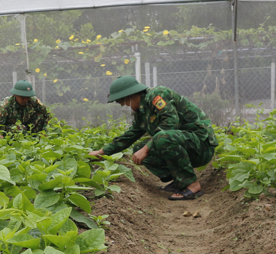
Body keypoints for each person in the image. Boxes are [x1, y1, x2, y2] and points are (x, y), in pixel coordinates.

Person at [88, 76, 217, 200]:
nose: (124, 106)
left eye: (123, 102)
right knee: (138, 149)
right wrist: (102, 152)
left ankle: (192, 185)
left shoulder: (157, 95)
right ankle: (179, 180)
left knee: (160, 139)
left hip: (201, 146)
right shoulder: (142, 114)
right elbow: (129, 136)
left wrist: (146, 148)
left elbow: (171, 123)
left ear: (130, 96)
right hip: (186, 145)